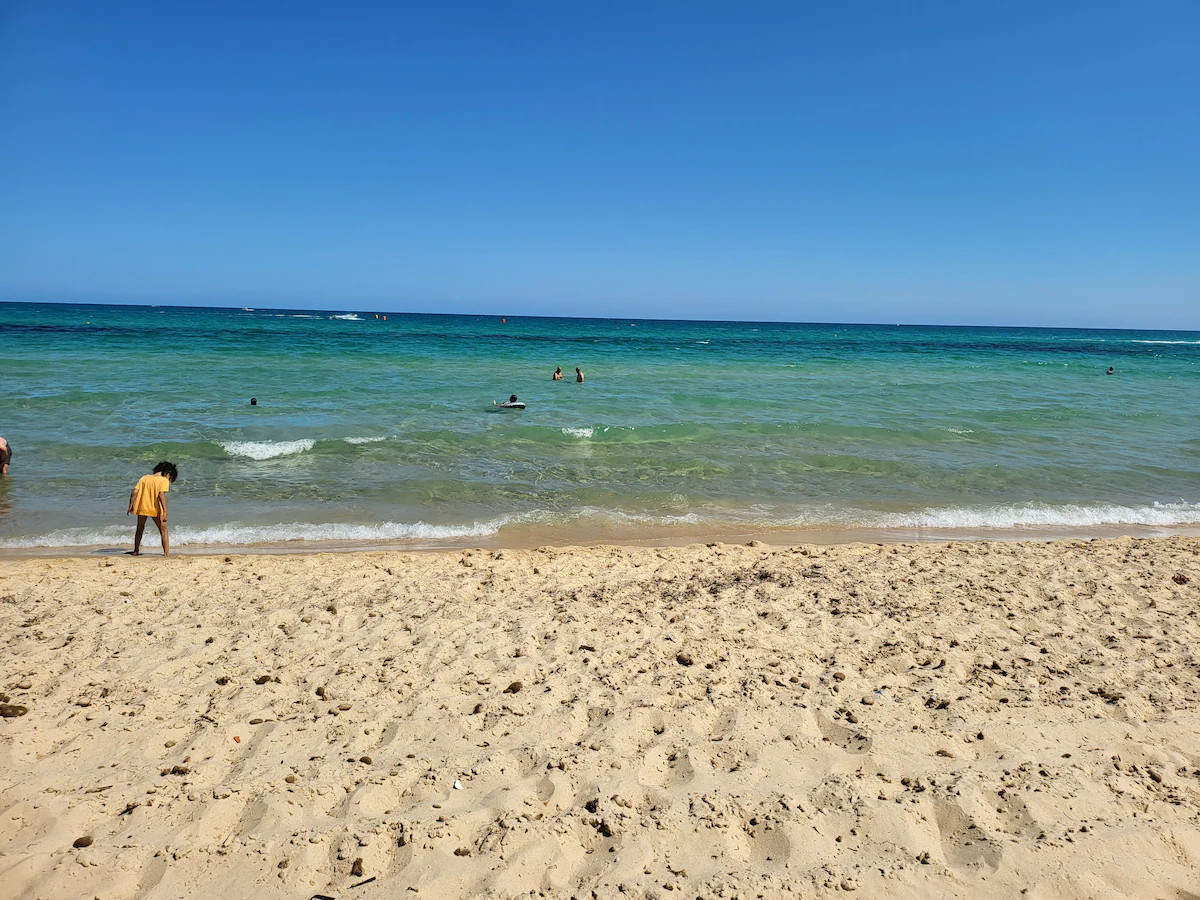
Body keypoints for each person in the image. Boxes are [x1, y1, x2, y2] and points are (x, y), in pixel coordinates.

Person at [128, 461, 178, 556]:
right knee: (163, 530)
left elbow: (134, 491)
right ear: (168, 473)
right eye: (170, 477)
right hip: (155, 509)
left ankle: (136, 551)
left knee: (139, 529)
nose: (169, 479)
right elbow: (161, 495)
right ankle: (166, 553)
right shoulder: (163, 480)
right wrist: (165, 511)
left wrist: (131, 505)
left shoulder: (144, 478)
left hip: (142, 507)